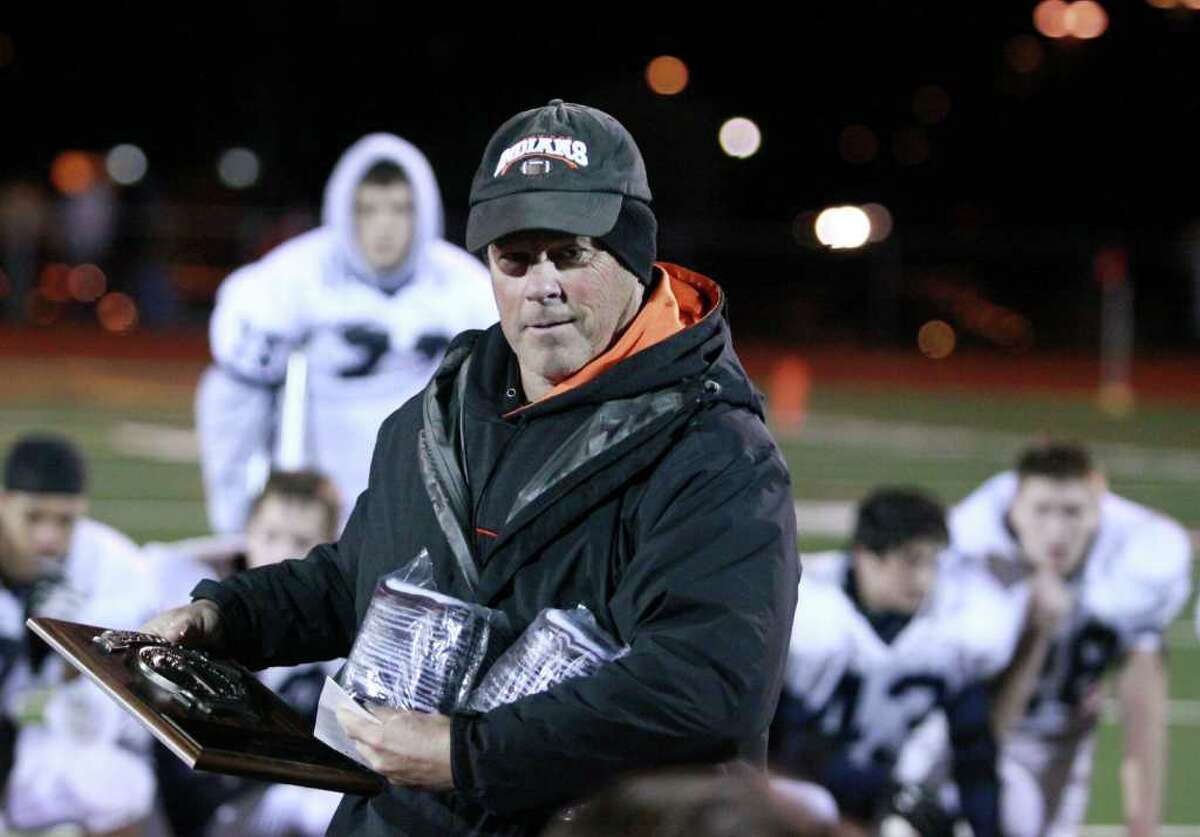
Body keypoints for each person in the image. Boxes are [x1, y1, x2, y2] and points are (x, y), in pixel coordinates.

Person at [145, 99, 800, 837]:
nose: (539, 284)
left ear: (634, 252)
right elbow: (358, 577)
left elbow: (706, 686)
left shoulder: (716, 451)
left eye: (569, 253)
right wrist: (229, 617)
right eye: (514, 259)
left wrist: (466, 754)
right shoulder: (442, 408)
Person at [197, 132, 498, 533]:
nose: (384, 226)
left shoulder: (467, 288)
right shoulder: (290, 278)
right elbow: (233, 404)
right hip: (316, 504)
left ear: (423, 211)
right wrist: (236, 514)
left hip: (422, 497)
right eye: (367, 210)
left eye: (399, 209)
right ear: (343, 209)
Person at [951, 441, 1192, 837]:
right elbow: (968, 713)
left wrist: (1142, 825)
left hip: (1065, 745)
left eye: (1072, 512)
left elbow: (1143, 705)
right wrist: (1037, 627)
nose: (1056, 531)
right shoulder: (972, 548)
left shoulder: (1140, 551)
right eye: (1042, 511)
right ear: (1014, 507)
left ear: (1098, 510)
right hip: (968, 737)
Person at [770, 488, 1017, 837]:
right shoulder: (810, 610)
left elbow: (974, 752)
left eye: (931, 561)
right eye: (909, 561)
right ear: (864, 556)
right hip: (790, 788)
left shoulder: (953, 625)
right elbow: (785, 747)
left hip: (880, 791)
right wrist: (884, 794)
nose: (923, 579)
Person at [146, 470, 345, 837]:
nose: (283, 552)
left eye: (301, 540)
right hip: (188, 797)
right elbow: (155, 560)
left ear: (331, 550)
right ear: (247, 534)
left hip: (269, 800)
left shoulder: (338, 631)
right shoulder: (189, 592)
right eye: (270, 535)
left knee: (319, 807)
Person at [0, 434, 158, 834]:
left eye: (65, 519)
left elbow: (95, 716)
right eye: (34, 517)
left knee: (121, 785)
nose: (49, 537)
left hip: (63, 737)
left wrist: (70, 650)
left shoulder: (114, 565)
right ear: (4, 504)